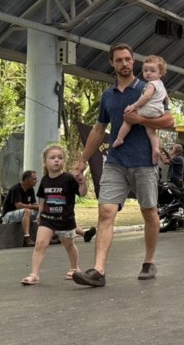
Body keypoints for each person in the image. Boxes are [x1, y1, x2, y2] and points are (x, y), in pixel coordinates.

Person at [72, 43, 175, 287]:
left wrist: (138, 118)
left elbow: (169, 120)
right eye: (119, 60)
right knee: (105, 211)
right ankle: (98, 270)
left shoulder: (149, 87)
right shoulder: (108, 96)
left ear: (133, 62)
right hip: (115, 161)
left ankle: (149, 262)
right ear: (112, 63)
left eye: (128, 59)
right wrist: (82, 159)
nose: (125, 64)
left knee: (149, 211)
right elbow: (99, 129)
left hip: (143, 161)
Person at [20, 145, 88, 285]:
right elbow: (42, 198)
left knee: (68, 245)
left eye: (60, 158)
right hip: (48, 219)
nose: (56, 160)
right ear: (45, 162)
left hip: (65, 219)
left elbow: (82, 193)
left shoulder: (69, 178)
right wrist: (40, 213)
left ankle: (75, 268)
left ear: (64, 161)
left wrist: (82, 182)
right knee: (40, 244)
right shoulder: (45, 180)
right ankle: (34, 275)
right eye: (52, 158)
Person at [111, 55, 168, 165]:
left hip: (149, 109)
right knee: (151, 132)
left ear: (160, 73)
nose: (148, 73)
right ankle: (155, 149)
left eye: (152, 71)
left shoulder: (151, 84)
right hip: (158, 111)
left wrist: (134, 106)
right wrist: (166, 104)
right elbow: (166, 97)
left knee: (129, 118)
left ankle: (120, 138)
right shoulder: (161, 84)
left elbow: (146, 97)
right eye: (145, 70)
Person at [2, 170, 39, 247]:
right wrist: (35, 207)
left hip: (23, 213)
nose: (36, 181)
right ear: (26, 180)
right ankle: (27, 238)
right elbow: (18, 205)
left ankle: (47, 235)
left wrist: (41, 207)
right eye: (34, 179)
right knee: (26, 211)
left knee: (43, 211)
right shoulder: (16, 189)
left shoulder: (30, 189)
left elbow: (34, 204)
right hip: (9, 215)